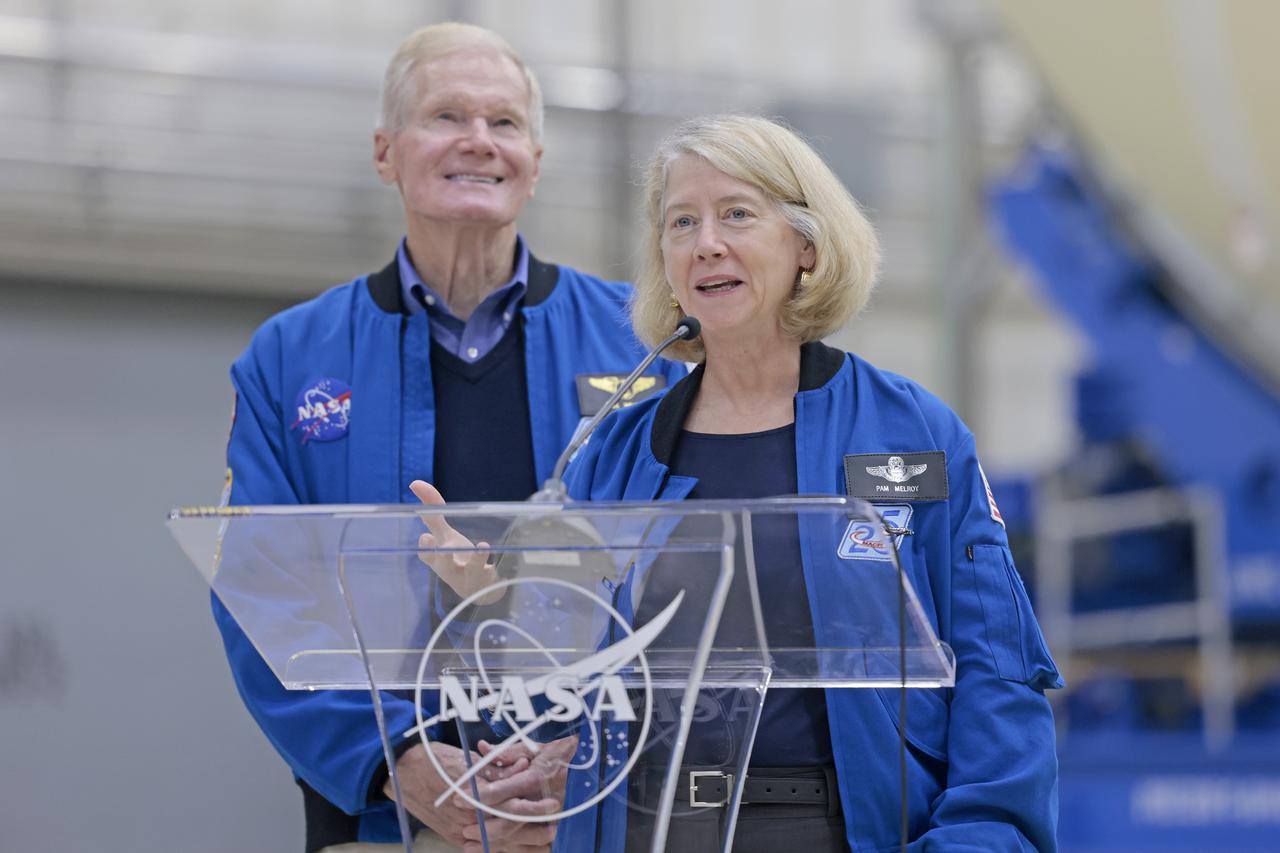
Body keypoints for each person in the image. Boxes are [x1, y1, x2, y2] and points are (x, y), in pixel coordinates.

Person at [213, 23, 686, 853]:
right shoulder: (290, 358)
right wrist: (394, 756)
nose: (479, 141)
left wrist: (583, 764)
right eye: (447, 117)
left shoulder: (642, 342)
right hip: (382, 818)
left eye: (504, 123)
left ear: (536, 161)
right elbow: (260, 596)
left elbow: (692, 577)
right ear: (385, 151)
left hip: (591, 810)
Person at [557, 115, 1065, 851]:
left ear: (805, 243)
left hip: (841, 828)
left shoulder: (913, 431)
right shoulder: (615, 452)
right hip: (649, 827)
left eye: (737, 214)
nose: (707, 243)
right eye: (682, 222)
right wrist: (477, 593)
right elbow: (564, 666)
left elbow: (995, 665)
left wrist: (982, 833)